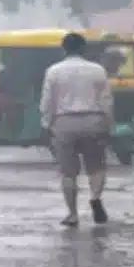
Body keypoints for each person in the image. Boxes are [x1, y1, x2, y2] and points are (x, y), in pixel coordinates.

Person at [40, 32, 113, 226]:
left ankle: (72, 214)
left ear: (64, 49)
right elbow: (106, 100)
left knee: (68, 172)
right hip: (93, 120)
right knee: (96, 166)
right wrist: (107, 123)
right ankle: (95, 197)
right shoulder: (97, 70)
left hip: (64, 123)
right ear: (83, 48)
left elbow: (48, 102)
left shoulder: (53, 71)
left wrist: (46, 125)